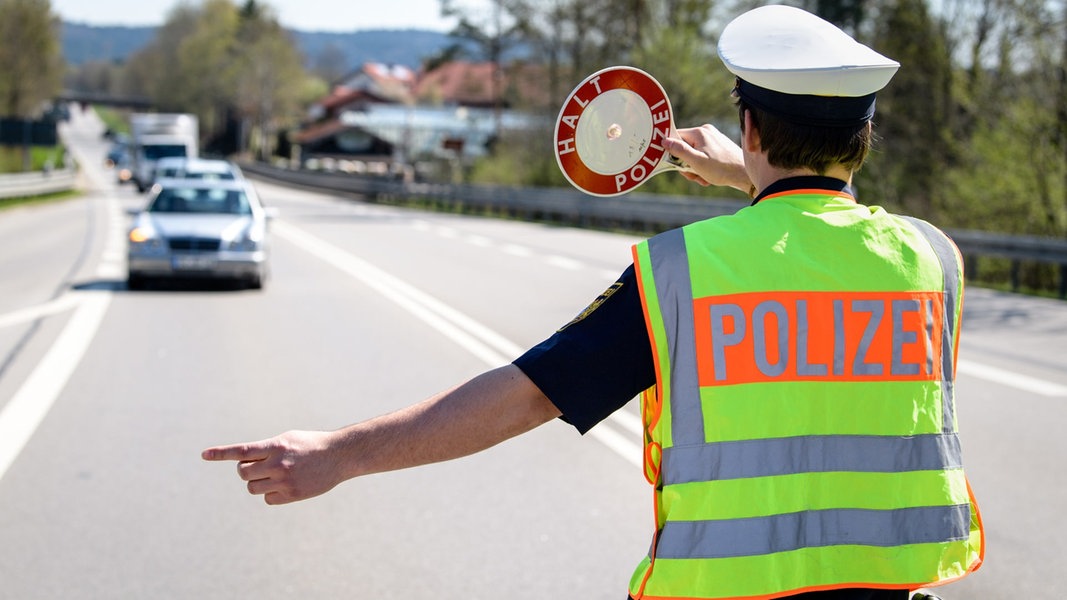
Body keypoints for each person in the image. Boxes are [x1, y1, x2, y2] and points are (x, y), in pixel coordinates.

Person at [203, 5, 984, 599]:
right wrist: (754, 177)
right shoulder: (930, 260)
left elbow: (525, 396)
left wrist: (339, 454)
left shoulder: (687, 271)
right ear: (864, 133)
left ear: (747, 126)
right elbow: (831, 230)